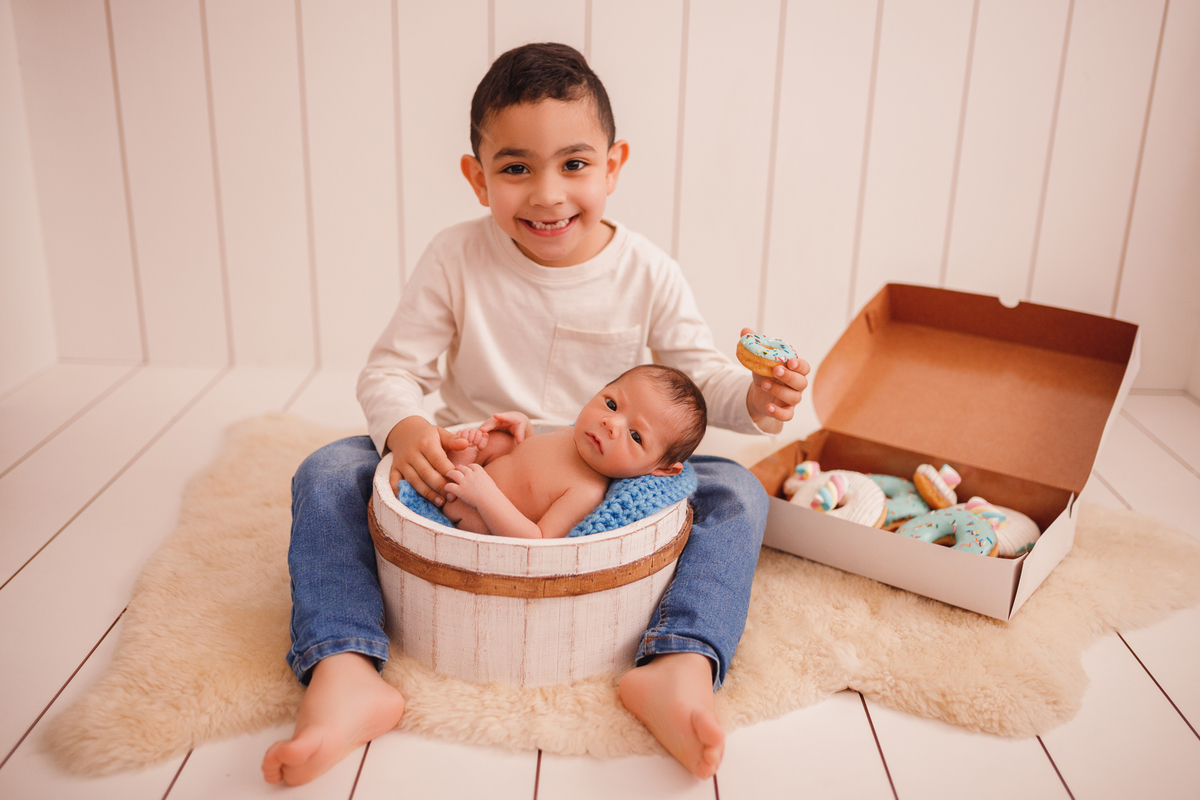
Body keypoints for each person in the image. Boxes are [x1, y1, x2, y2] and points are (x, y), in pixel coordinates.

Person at [262, 42, 810, 786]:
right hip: (480, 460)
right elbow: (392, 370)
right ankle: (344, 665)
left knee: (737, 494)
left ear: (613, 165)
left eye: (575, 165)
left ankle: (678, 662)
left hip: (610, 476)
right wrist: (411, 430)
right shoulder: (456, 257)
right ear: (476, 175)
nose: (548, 194)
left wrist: (752, 399)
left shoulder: (646, 270)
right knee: (328, 470)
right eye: (516, 168)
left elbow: (695, 380)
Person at [440, 364, 706, 539]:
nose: (610, 424)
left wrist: (484, 497)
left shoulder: (586, 491)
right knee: (496, 440)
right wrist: (524, 433)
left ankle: (453, 483)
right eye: (612, 404)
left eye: (635, 436)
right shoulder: (571, 435)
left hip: (476, 520)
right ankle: (456, 462)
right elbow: (534, 468)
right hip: (472, 479)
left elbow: (538, 539)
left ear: (660, 469)